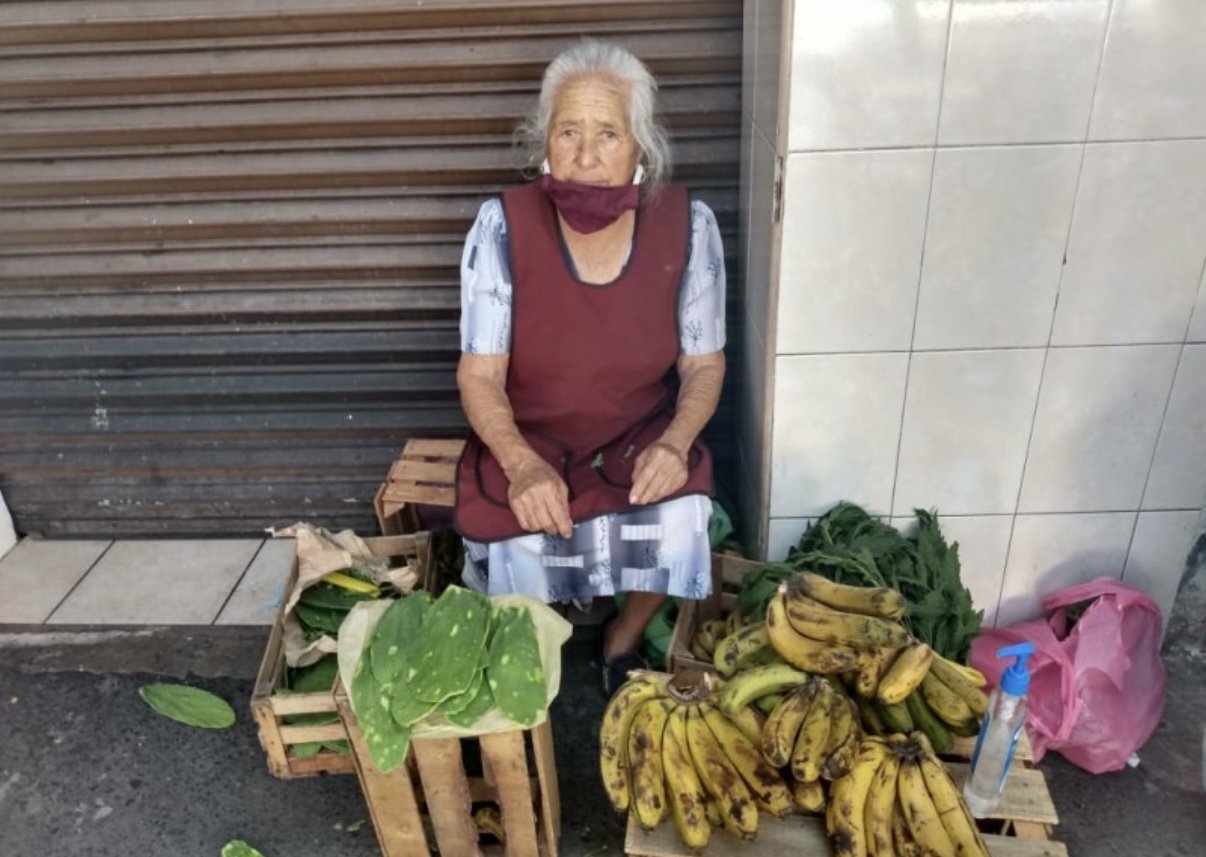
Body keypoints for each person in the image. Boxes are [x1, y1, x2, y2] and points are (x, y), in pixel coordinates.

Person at [453, 39, 726, 695]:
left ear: (641, 147)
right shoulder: (501, 226)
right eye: (568, 131)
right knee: (514, 530)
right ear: (543, 141)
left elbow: (704, 364)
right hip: (534, 437)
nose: (586, 155)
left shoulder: (689, 225)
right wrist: (520, 463)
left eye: (609, 133)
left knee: (683, 515)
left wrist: (674, 441)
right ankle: (532, 650)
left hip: (636, 437)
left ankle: (621, 641)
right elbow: (480, 375)